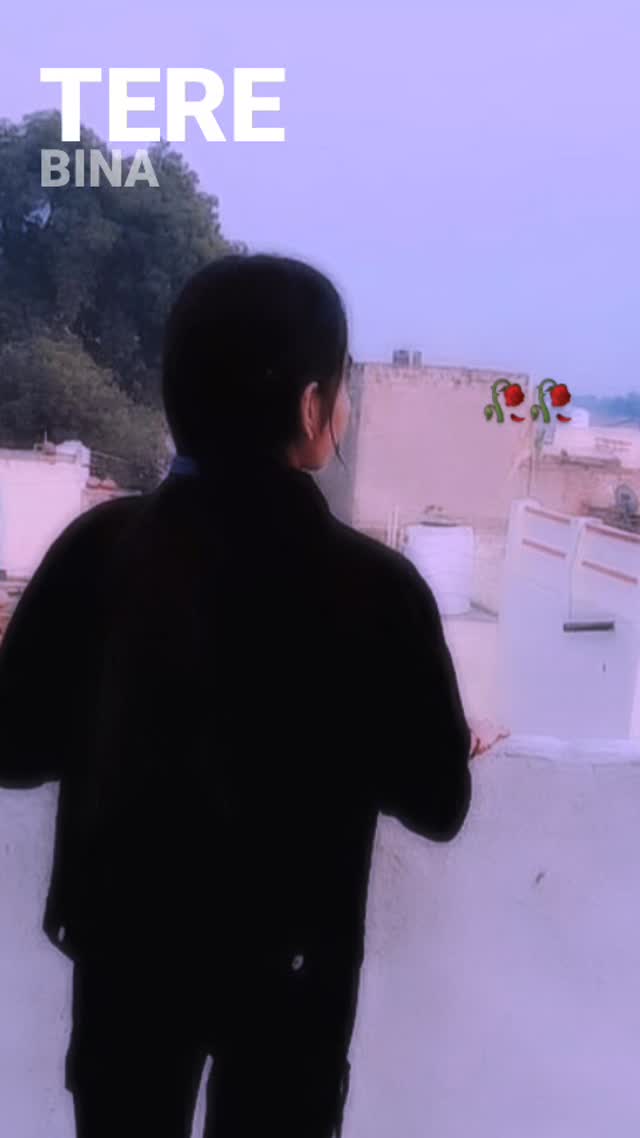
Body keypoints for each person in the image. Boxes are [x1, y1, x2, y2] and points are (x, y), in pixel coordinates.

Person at [0, 253, 506, 1137]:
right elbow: (437, 804)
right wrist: (442, 737)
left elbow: (13, 749)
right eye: (339, 389)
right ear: (311, 410)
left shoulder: (99, 549)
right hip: (292, 985)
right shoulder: (377, 588)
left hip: (124, 961)